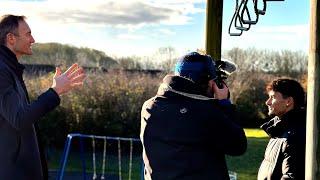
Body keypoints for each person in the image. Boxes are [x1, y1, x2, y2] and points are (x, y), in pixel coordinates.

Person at [0, 14, 86, 180]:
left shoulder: (10, 69)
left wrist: (55, 91)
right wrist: (54, 92)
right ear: (11, 38)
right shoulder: (2, 71)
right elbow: (19, 118)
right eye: (28, 34)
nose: (33, 39)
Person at [140, 52, 247, 180]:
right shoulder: (206, 112)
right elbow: (238, 146)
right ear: (207, 82)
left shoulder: (149, 106)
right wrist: (224, 104)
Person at [257, 78, 306, 180]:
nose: (267, 102)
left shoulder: (294, 136)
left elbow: (291, 176)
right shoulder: (278, 131)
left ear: (288, 101)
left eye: (273, 97)